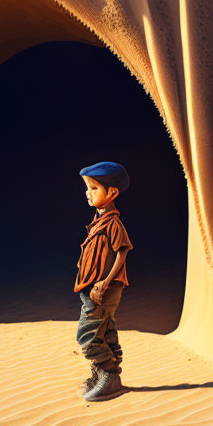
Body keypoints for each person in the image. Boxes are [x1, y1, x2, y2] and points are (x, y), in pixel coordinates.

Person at [74, 160, 134, 401]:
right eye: (87, 188)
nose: (88, 193)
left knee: (87, 337)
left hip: (102, 290)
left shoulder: (113, 223)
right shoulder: (98, 222)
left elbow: (123, 251)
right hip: (91, 288)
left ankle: (108, 376)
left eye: (94, 188)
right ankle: (105, 377)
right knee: (105, 333)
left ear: (112, 193)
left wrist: (105, 282)